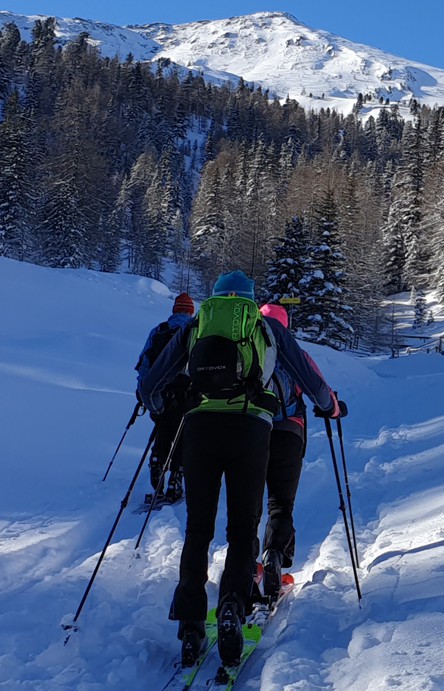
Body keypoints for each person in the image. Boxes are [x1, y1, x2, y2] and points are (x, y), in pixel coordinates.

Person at [138, 271, 335, 668]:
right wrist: (329, 405)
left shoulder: (196, 323)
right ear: (249, 297)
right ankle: (232, 607)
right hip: (251, 430)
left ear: (215, 298)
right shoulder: (265, 327)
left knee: (198, 527)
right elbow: (307, 376)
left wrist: (161, 408)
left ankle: (192, 622)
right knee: (243, 526)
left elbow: (151, 383)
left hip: (200, 429)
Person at [256, 301, 342, 601]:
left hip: (252, 432)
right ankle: (273, 556)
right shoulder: (293, 351)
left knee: (249, 501)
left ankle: (243, 565)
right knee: (280, 503)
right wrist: (333, 409)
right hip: (288, 433)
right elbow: (319, 389)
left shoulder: (250, 349)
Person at [133, 293, 195, 504]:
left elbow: (145, 361)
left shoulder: (159, 330)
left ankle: (158, 461)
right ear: (191, 311)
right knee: (182, 434)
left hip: (159, 391)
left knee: (163, 428)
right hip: (186, 392)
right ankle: (176, 477)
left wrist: (142, 389)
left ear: (174, 310)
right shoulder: (195, 330)